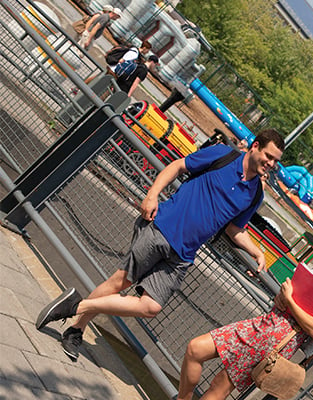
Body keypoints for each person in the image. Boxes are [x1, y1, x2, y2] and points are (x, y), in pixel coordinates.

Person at [35, 129, 285, 361]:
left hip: (184, 254)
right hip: (161, 228)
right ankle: (76, 329)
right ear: (255, 146)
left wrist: (256, 251)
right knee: (120, 282)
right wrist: (152, 195)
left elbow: (235, 229)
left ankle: (74, 306)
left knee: (150, 307)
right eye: (269, 156)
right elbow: (178, 166)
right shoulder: (224, 154)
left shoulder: (255, 195)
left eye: (275, 161)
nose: (271, 164)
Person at [176, 222, 313, 400]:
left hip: (275, 339)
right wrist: (285, 297)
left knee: (219, 386)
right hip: (267, 323)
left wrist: (289, 300)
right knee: (195, 349)